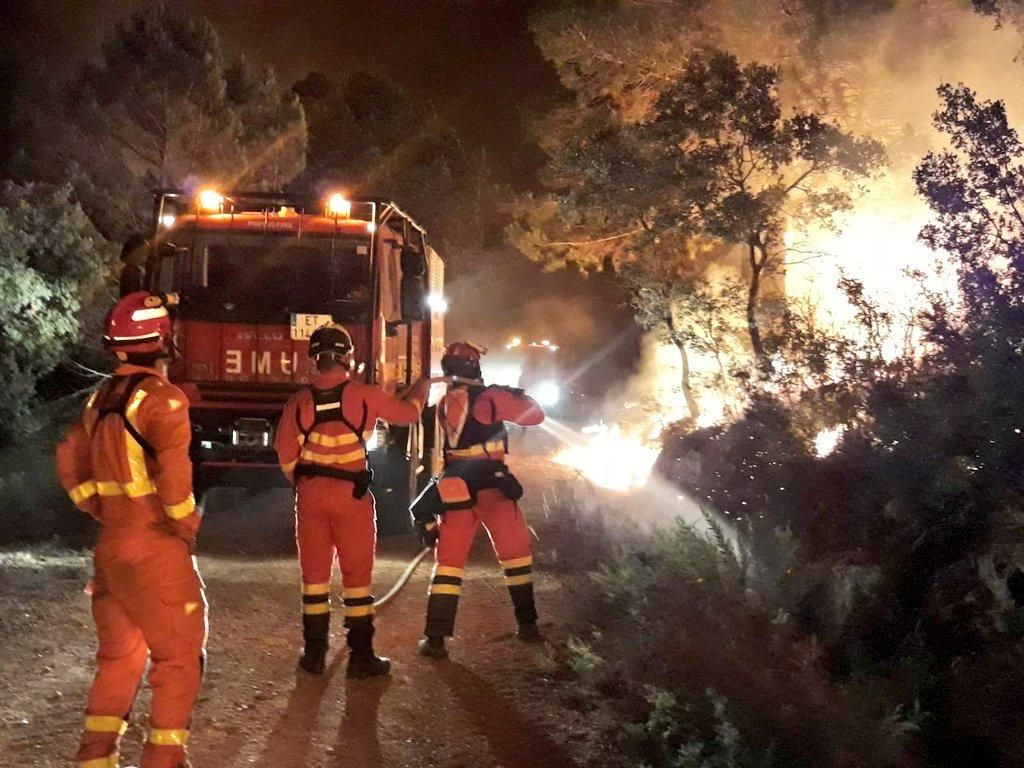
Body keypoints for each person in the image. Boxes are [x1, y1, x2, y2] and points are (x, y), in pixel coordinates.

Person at [56, 291, 206, 768]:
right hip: (153, 547)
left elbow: (66, 457)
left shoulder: (99, 401)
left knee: (119, 660)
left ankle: (95, 758)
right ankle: (163, 761)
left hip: (112, 549)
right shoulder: (164, 399)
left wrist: (100, 508)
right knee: (179, 658)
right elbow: (176, 481)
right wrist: (183, 525)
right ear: (162, 339)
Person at [275, 323, 430, 678]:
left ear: (313, 360)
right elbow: (409, 414)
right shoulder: (364, 394)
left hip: (311, 498)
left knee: (314, 578)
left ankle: (314, 655)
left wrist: (307, 484)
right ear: (348, 357)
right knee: (357, 577)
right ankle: (361, 657)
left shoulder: (298, 402)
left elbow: (285, 456)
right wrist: (421, 388)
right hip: (353, 498)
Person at [413, 341, 545, 659]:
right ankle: (527, 627)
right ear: (474, 366)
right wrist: (513, 393)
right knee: (516, 556)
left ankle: (435, 639)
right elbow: (536, 415)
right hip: (493, 491)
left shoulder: (447, 402)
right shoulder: (490, 398)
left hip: (457, 491)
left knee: (448, 564)